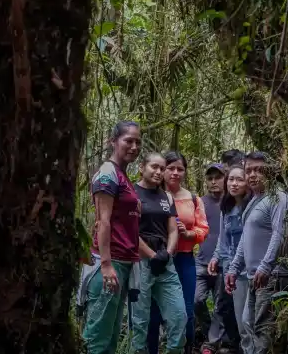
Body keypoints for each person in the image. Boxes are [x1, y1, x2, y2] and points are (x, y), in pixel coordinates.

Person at [78, 121, 143, 354]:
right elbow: (103, 221)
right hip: (109, 263)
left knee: (111, 337)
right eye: (128, 140)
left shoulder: (123, 176)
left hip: (123, 263)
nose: (134, 146)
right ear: (113, 141)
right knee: (96, 338)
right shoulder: (108, 172)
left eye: (138, 142)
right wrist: (105, 265)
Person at [224, 152, 288, 354]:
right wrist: (234, 268)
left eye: (259, 170)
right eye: (249, 170)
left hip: (274, 275)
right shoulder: (254, 202)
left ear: (271, 171)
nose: (253, 175)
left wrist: (266, 265)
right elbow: (245, 239)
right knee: (248, 324)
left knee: (264, 330)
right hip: (256, 276)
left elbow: (280, 234)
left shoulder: (279, 197)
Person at [147, 151, 209, 354]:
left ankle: (186, 349)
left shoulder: (193, 198)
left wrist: (189, 234)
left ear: (185, 172)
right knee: (153, 312)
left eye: (179, 169)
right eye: (170, 168)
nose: (175, 172)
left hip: (184, 258)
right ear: (163, 170)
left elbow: (203, 229)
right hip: (155, 258)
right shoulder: (151, 195)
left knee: (187, 310)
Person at [131, 153, 188, 354]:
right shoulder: (131, 193)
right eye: (154, 167)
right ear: (142, 167)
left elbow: (172, 229)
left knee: (179, 315)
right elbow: (129, 232)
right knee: (140, 321)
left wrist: (167, 254)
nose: (158, 172)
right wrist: (151, 255)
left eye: (162, 168)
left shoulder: (167, 197)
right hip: (140, 262)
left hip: (165, 262)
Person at [206, 164, 252, 354]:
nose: (234, 184)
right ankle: (236, 345)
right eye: (231, 179)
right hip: (228, 267)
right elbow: (223, 238)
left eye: (239, 179)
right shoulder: (227, 206)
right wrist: (216, 257)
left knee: (246, 315)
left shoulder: (252, 206)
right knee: (226, 309)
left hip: (246, 268)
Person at [194, 163, 228, 352]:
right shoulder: (199, 202)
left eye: (218, 177)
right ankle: (209, 333)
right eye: (210, 178)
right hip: (201, 261)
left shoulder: (232, 202)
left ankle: (213, 343)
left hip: (223, 263)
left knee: (220, 305)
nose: (214, 182)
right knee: (196, 301)